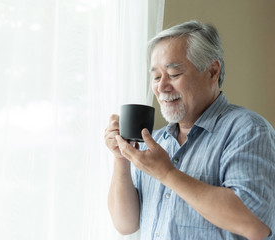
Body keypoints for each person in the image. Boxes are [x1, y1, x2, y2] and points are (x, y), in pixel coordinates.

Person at [104, 20, 275, 240]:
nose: (161, 86)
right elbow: (125, 224)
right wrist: (122, 158)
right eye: (156, 77)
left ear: (213, 71)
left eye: (174, 74)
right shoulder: (156, 142)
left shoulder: (248, 131)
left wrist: (167, 173)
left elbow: (256, 225)